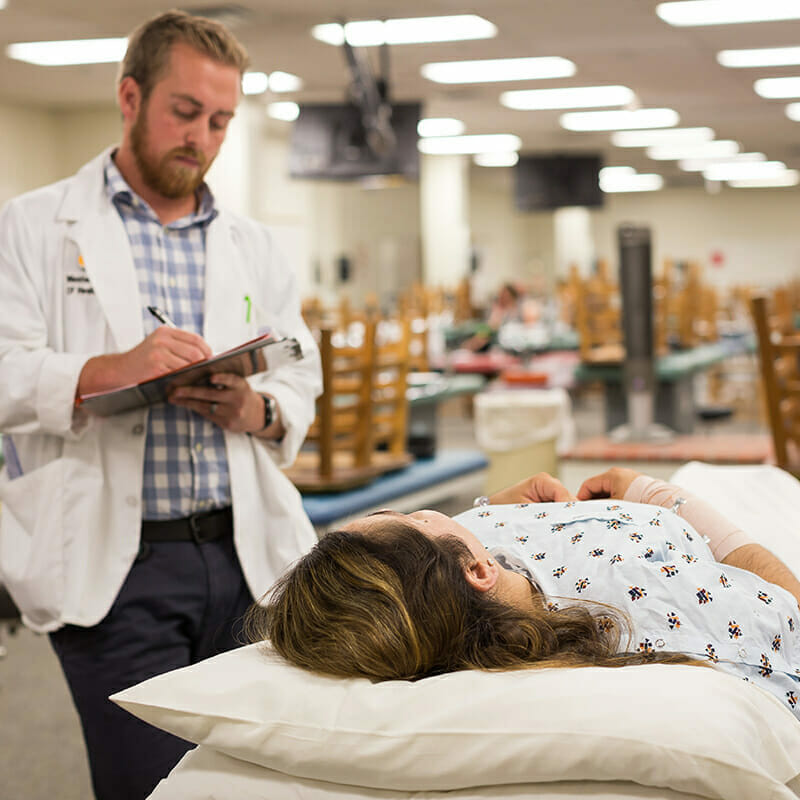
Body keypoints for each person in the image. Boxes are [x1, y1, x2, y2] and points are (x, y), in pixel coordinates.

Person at [0, 11, 321, 799]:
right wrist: (111, 369)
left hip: (244, 557)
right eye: (185, 112)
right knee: (151, 788)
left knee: (255, 782)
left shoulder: (252, 242)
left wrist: (258, 409)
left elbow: (300, 373)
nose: (202, 137)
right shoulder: (32, 225)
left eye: (220, 121)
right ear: (130, 97)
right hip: (117, 569)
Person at [253, 468, 800, 721]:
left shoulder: (448, 607)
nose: (442, 515)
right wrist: (659, 496)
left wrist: (496, 509)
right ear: (477, 572)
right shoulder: (647, 596)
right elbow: (787, 609)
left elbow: (427, 561)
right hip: (717, 524)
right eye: (418, 515)